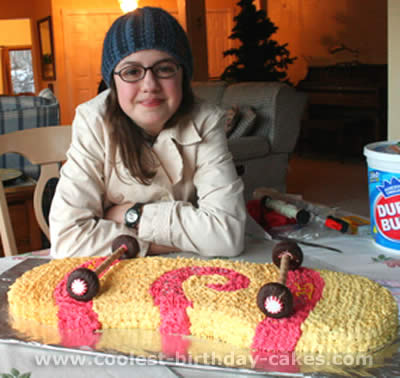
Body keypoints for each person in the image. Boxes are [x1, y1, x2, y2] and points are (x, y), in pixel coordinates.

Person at [49, 7, 246, 258]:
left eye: (164, 69)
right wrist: (188, 238)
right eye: (132, 72)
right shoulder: (92, 121)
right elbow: (67, 241)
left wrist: (130, 215)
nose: (150, 86)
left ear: (182, 74)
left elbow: (228, 235)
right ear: (113, 82)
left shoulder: (206, 120)